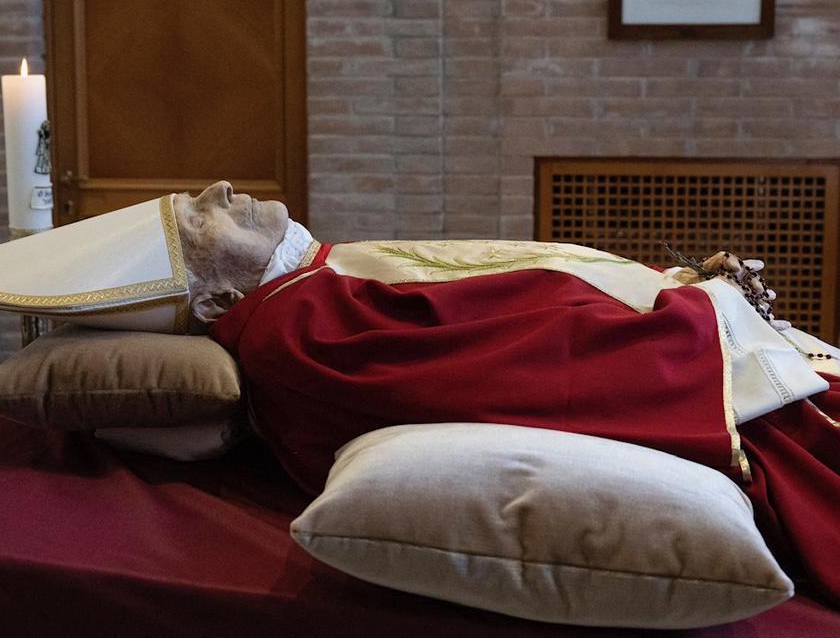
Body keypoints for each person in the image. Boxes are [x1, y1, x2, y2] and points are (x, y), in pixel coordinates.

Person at [177, 181, 840, 607]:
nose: (218, 189)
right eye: (191, 220)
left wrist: (680, 283)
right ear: (215, 296)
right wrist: (696, 313)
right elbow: (529, 369)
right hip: (703, 376)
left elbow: (529, 294)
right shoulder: (298, 332)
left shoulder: (311, 282)